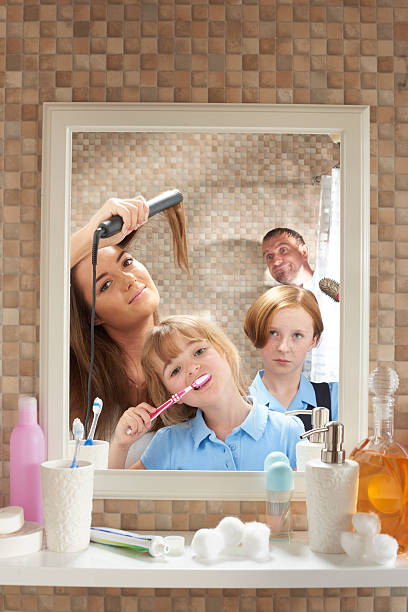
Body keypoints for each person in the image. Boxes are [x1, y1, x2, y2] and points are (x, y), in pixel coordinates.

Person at [70, 195, 189, 450]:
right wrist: (91, 231)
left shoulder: (192, 357)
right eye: (106, 284)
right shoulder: (77, 381)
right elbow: (27, 291)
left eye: (126, 262)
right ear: (94, 317)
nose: (128, 279)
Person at [109, 315, 305, 470]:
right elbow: (113, 502)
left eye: (199, 352)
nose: (192, 369)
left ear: (225, 353)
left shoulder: (287, 432)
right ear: (171, 395)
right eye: (175, 370)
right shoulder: (167, 444)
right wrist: (120, 445)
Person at [244, 286, 338, 432]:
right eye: (273, 333)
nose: (283, 347)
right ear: (257, 335)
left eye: (297, 335)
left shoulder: (336, 398)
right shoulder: (237, 404)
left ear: (313, 340)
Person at [261, 227, 339, 382]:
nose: (275, 261)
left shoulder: (331, 287)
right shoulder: (273, 305)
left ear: (303, 251)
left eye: (283, 250)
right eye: (269, 256)